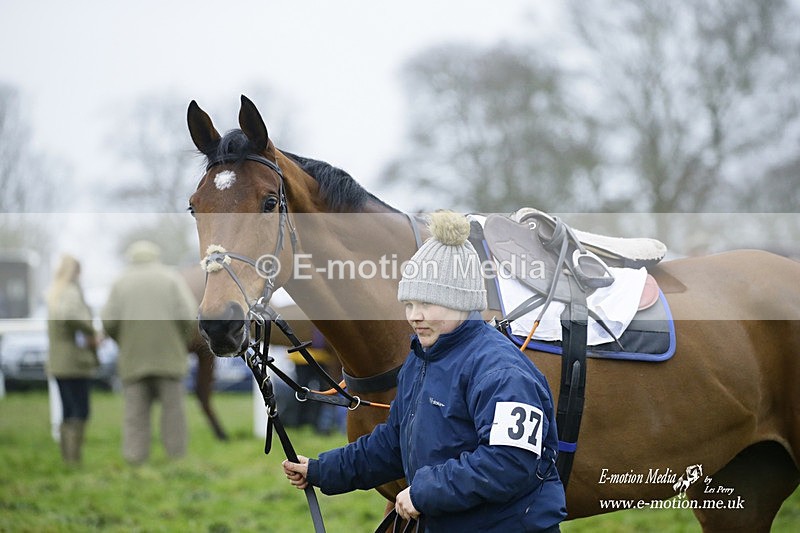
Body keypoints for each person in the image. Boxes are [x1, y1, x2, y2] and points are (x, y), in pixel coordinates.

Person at [283, 211, 567, 532]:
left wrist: (424, 493)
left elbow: (509, 462)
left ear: (460, 301)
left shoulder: (503, 372)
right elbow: (393, 443)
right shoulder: (420, 359)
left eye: (427, 304)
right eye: (409, 304)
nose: (414, 316)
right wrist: (322, 470)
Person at [101, 241, 198, 465]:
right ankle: (176, 459)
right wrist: (180, 341)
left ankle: (135, 460)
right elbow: (188, 314)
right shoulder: (171, 278)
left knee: (135, 415)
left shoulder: (120, 282)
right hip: (170, 359)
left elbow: (108, 321)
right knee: (173, 413)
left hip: (133, 360)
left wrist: (123, 340)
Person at [46, 254, 100, 465]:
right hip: (74, 363)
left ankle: (68, 459)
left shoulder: (55, 291)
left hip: (60, 362)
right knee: (79, 410)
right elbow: (71, 315)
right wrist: (91, 330)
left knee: (68, 409)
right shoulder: (70, 292)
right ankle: (73, 459)